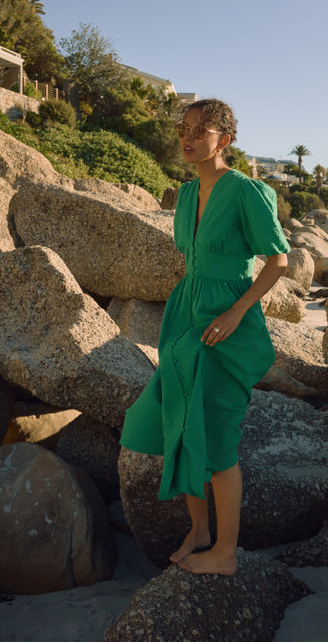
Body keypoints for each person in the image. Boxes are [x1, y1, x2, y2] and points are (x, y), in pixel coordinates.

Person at [120, 98, 290, 575]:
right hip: (186, 316)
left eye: (200, 130)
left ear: (225, 140)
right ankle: (199, 530)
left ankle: (226, 553)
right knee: (179, 421)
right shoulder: (187, 192)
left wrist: (237, 311)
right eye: (183, 128)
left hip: (226, 324)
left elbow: (278, 261)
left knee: (215, 437)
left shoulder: (248, 192)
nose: (188, 137)